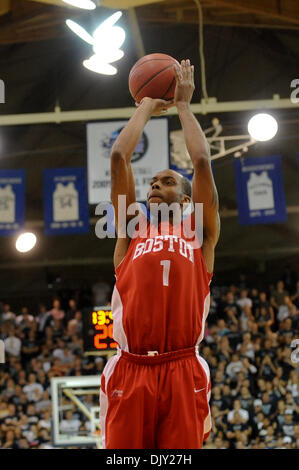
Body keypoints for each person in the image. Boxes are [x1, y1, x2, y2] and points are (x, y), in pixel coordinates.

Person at [100, 59, 220, 449]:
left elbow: (201, 163)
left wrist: (183, 105)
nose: (154, 184)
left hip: (183, 367)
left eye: (167, 181)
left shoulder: (199, 231)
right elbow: (119, 158)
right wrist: (147, 104)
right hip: (130, 367)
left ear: (185, 198)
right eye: (152, 181)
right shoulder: (131, 230)